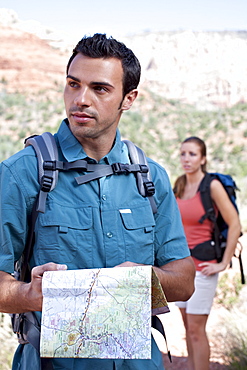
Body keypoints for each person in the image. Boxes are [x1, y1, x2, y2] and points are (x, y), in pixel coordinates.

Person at [0, 33, 195, 370]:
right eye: (73, 84)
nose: (81, 100)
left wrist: (147, 278)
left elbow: (185, 279)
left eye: (100, 89)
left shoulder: (151, 178)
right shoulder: (22, 174)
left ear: (128, 98)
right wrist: (27, 295)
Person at [173, 136, 241, 370]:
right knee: (186, 328)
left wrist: (223, 264)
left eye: (192, 154)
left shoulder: (211, 185)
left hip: (204, 267)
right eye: (183, 153)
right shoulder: (180, 185)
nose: (186, 158)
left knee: (195, 329)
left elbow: (235, 224)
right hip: (182, 267)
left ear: (203, 159)